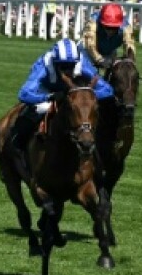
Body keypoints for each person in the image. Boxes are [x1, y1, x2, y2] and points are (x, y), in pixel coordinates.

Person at [7, 38, 113, 181]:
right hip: (47, 91)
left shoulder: (82, 63)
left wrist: (83, 94)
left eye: (71, 65)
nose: (68, 69)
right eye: (63, 66)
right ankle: (20, 148)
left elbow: (107, 90)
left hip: (72, 92)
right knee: (41, 109)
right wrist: (51, 96)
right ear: (55, 62)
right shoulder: (44, 65)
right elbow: (24, 94)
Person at [81, 2, 136, 69]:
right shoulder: (92, 23)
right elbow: (90, 45)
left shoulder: (126, 27)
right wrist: (100, 60)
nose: (111, 31)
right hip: (87, 51)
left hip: (110, 51)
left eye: (114, 28)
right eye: (107, 27)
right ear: (102, 23)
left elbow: (129, 45)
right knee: (90, 73)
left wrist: (130, 60)